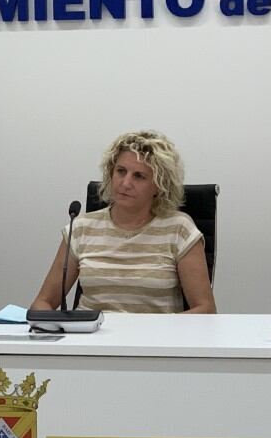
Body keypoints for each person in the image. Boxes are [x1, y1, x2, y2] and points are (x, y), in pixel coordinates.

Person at [31, 130, 216, 314]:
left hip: (154, 338)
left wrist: (158, 332)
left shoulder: (179, 229)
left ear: (159, 186)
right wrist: (61, 328)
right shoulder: (81, 228)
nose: (125, 183)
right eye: (121, 171)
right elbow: (42, 303)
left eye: (139, 176)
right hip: (90, 338)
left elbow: (205, 310)